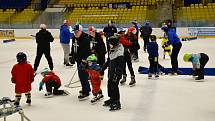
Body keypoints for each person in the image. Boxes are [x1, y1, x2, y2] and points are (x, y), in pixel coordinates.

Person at [103, 36, 124, 111]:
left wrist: (117, 74)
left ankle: (117, 102)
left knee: (114, 86)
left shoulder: (119, 52)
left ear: (114, 43)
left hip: (116, 73)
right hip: (111, 71)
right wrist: (103, 69)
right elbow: (109, 60)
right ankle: (112, 98)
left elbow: (121, 65)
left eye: (110, 43)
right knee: (110, 84)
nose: (109, 45)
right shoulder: (112, 49)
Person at [71, 24, 91, 100]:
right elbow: (73, 47)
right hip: (78, 59)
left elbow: (87, 51)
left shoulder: (85, 39)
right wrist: (71, 56)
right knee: (81, 76)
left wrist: (84, 61)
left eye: (77, 32)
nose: (75, 33)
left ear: (81, 31)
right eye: (74, 32)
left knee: (83, 76)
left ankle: (86, 92)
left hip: (84, 60)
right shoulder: (74, 38)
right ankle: (86, 89)